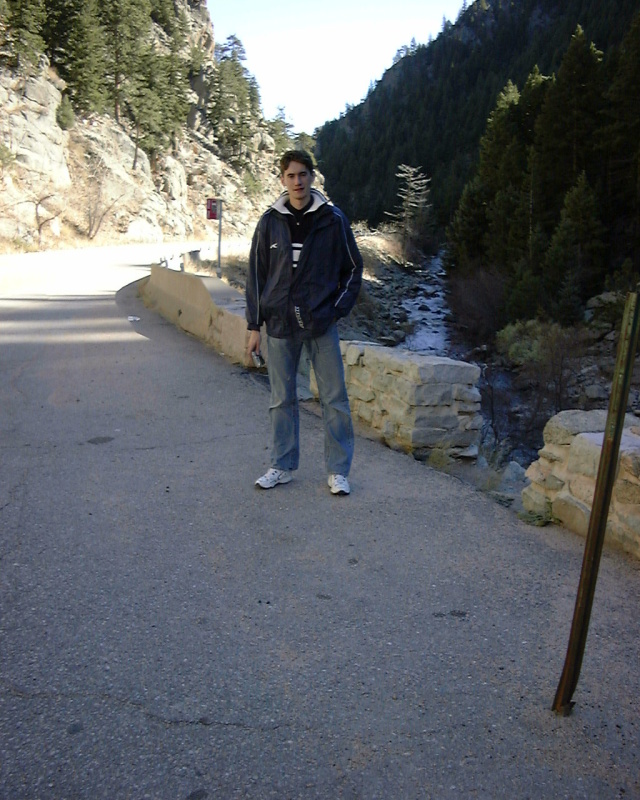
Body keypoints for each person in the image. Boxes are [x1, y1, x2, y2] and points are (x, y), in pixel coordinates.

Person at [245, 149, 363, 495]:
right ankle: (281, 466)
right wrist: (253, 326)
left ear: (312, 177)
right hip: (280, 324)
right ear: (283, 179)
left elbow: (353, 269)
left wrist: (335, 310)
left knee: (334, 399)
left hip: (320, 323)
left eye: (303, 174)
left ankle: (338, 471)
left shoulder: (333, 220)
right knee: (281, 399)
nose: (297, 182)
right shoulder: (269, 222)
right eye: (291, 175)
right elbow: (256, 275)